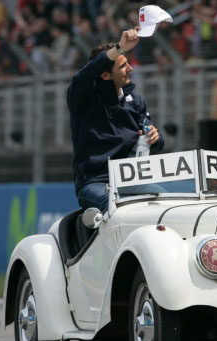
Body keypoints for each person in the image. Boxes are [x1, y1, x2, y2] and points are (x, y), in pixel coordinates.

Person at [67, 27, 164, 213]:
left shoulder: (135, 101)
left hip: (131, 181)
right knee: (117, 210)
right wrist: (120, 47)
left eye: (127, 62)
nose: (130, 68)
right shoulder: (83, 97)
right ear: (105, 75)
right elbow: (82, 76)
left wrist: (155, 138)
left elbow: (158, 145)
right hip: (94, 183)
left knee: (164, 206)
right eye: (122, 66)